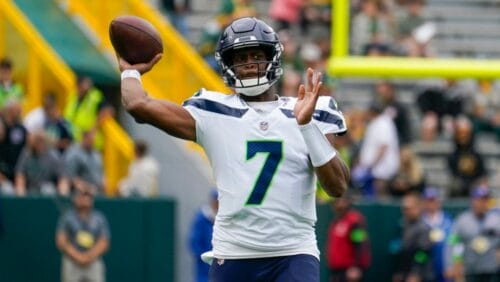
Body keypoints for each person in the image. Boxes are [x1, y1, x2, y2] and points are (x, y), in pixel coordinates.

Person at [116, 17, 350, 281]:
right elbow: (138, 104)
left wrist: (307, 126)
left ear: (273, 58)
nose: (249, 63)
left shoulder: (311, 109)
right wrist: (130, 71)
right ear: (229, 65)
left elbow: (337, 187)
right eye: (240, 58)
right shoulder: (211, 111)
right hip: (234, 252)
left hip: (293, 252)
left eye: (256, 55)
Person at [56, 185, 110, 282]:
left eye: (88, 196)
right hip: (72, 261)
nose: (85, 199)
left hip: (93, 261)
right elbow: (61, 241)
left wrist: (88, 257)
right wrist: (78, 257)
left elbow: (104, 242)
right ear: (75, 199)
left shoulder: (99, 218)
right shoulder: (67, 218)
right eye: (82, 196)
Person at [445, 186, 500, 282]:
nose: (482, 203)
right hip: (470, 269)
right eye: (479, 199)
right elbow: (453, 243)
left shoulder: (496, 220)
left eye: (485, 200)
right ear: (472, 201)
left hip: (492, 269)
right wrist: (452, 264)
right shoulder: (462, 220)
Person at [326, 195, 371, 282]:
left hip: (349, 270)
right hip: (336, 270)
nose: (339, 205)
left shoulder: (355, 221)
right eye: (337, 202)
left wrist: (356, 267)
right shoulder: (335, 221)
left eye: (343, 201)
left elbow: (360, 243)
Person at [391, 193, 434, 282]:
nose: (405, 211)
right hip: (404, 272)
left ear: (418, 208)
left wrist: (416, 274)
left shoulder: (424, 228)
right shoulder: (402, 225)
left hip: (420, 275)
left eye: (409, 208)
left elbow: (423, 254)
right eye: (404, 209)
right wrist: (399, 272)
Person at [421, 187, 453, 282]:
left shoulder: (449, 221)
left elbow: (455, 244)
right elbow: (417, 252)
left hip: (445, 269)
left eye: (433, 200)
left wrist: (452, 265)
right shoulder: (419, 222)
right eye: (428, 200)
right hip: (425, 270)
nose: (431, 204)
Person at [189, 189, 219, 282]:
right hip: (204, 267)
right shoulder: (201, 218)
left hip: (221, 264)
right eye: (215, 200)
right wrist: (204, 257)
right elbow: (194, 242)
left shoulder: (224, 218)